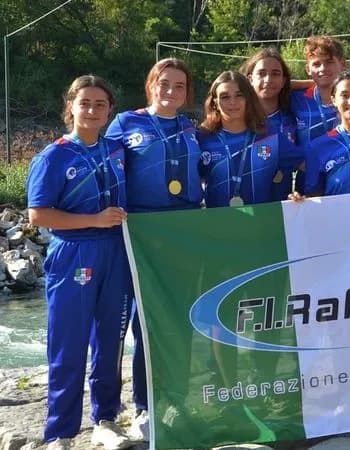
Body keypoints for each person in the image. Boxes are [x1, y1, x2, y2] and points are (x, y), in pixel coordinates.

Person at [27, 75, 133, 450]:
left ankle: (106, 418)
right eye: (84, 102)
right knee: (68, 344)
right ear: (70, 105)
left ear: (110, 111)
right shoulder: (53, 156)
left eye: (100, 104)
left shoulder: (117, 149)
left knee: (111, 341)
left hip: (118, 252)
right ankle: (61, 432)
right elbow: (38, 215)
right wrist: (94, 219)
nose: (91, 110)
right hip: (74, 251)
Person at [105, 57, 202, 442]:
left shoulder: (194, 128)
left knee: (180, 321)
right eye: (164, 83)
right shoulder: (125, 124)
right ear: (150, 85)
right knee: (144, 321)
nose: (171, 91)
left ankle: (176, 398)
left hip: (185, 233)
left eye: (179, 86)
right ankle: (143, 405)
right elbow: (102, 165)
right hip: (140, 234)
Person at [198, 70, 302, 207]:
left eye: (239, 95)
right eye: (225, 97)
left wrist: (300, 193)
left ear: (248, 99)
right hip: (218, 223)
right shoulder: (202, 138)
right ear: (215, 102)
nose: (233, 102)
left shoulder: (270, 136)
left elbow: (306, 163)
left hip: (263, 223)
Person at [240, 47, 299, 201]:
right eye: (261, 73)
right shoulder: (236, 118)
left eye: (275, 74)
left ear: (284, 80)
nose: (268, 80)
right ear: (249, 79)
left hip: (280, 207)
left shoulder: (293, 115)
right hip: (241, 208)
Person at [291, 36, 348, 194]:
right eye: (316, 64)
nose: (323, 68)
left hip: (345, 178)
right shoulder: (296, 99)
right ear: (308, 69)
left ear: (342, 64)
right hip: (307, 181)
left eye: (329, 62)